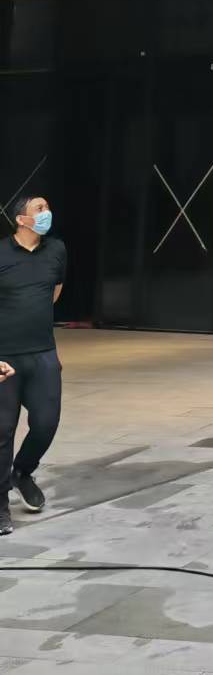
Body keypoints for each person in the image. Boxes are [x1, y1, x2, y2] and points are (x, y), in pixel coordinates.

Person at [0, 196, 65, 536]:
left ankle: (22, 471)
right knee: (3, 430)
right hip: (4, 357)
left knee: (46, 422)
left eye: (47, 207)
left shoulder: (56, 250)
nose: (46, 213)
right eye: (39, 209)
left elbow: (53, 292)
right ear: (20, 219)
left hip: (43, 353)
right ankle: (0, 506)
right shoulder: (1, 253)